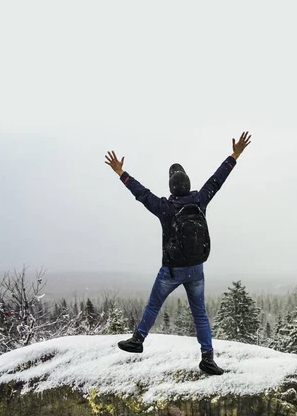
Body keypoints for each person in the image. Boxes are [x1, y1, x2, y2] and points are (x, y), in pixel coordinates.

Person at [105, 131, 251, 375]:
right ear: (189, 185)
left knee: (154, 305)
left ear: (172, 187)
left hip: (172, 270)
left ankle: (138, 340)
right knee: (200, 315)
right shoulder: (200, 200)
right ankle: (207, 358)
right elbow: (218, 179)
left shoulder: (165, 207)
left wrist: (121, 173)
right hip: (196, 269)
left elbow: (141, 193)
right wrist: (234, 155)